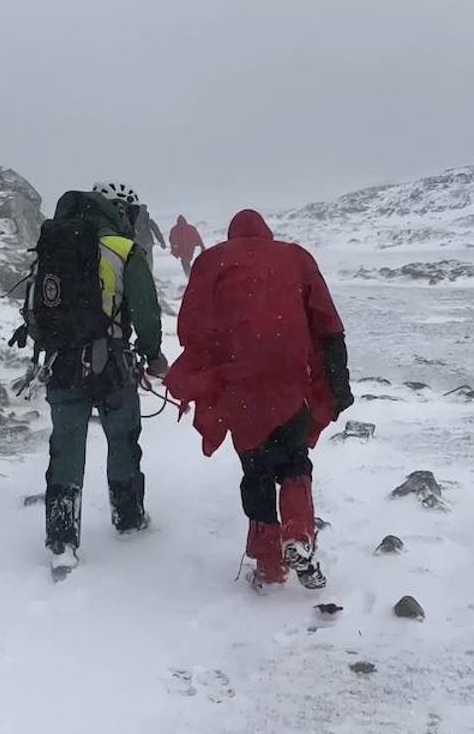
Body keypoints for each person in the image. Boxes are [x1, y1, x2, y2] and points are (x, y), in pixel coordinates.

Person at [166, 210, 353, 590]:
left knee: (256, 468)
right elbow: (328, 324)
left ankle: (269, 564)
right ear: (266, 233)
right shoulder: (296, 257)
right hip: (289, 381)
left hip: (242, 384)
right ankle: (299, 533)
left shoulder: (213, 261)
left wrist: (202, 373)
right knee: (295, 460)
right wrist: (337, 381)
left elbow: (192, 326)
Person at [41, 184, 168, 578]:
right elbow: (145, 310)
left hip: (63, 363)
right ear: (123, 212)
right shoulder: (124, 249)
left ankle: (62, 539)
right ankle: (128, 518)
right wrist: (152, 355)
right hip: (112, 364)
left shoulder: (56, 242)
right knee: (123, 439)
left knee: (65, 449)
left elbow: (36, 307)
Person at [134, 204, 166, 270]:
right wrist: (162, 242)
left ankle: (140, 272)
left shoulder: (134, 220)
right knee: (149, 259)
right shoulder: (149, 221)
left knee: (138, 258)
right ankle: (150, 272)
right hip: (148, 243)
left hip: (136, 243)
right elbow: (157, 231)